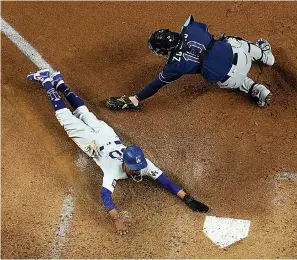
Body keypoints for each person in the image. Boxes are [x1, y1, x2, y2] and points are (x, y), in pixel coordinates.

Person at [27, 69, 209, 235]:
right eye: (134, 168)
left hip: (106, 136)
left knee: (83, 112)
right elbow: (105, 196)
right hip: (94, 141)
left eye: (138, 168)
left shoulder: (142, 163)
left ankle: (59, 83)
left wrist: (186, 198)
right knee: (65, 116)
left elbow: (164, 180)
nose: (137, 171)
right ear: (125, 163)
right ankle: (47, 81)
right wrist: (116, 220)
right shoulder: (114, 171)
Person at [107, 15, 275, 110]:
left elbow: (155, 85)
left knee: (225, 76)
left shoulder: (174, 65)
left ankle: (256, 89)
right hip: (244, 57)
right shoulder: (190, 27)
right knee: (230, 40)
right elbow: (202, 30)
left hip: (230, 80)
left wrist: (135, 98)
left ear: (164, 49)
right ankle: (266, 56)